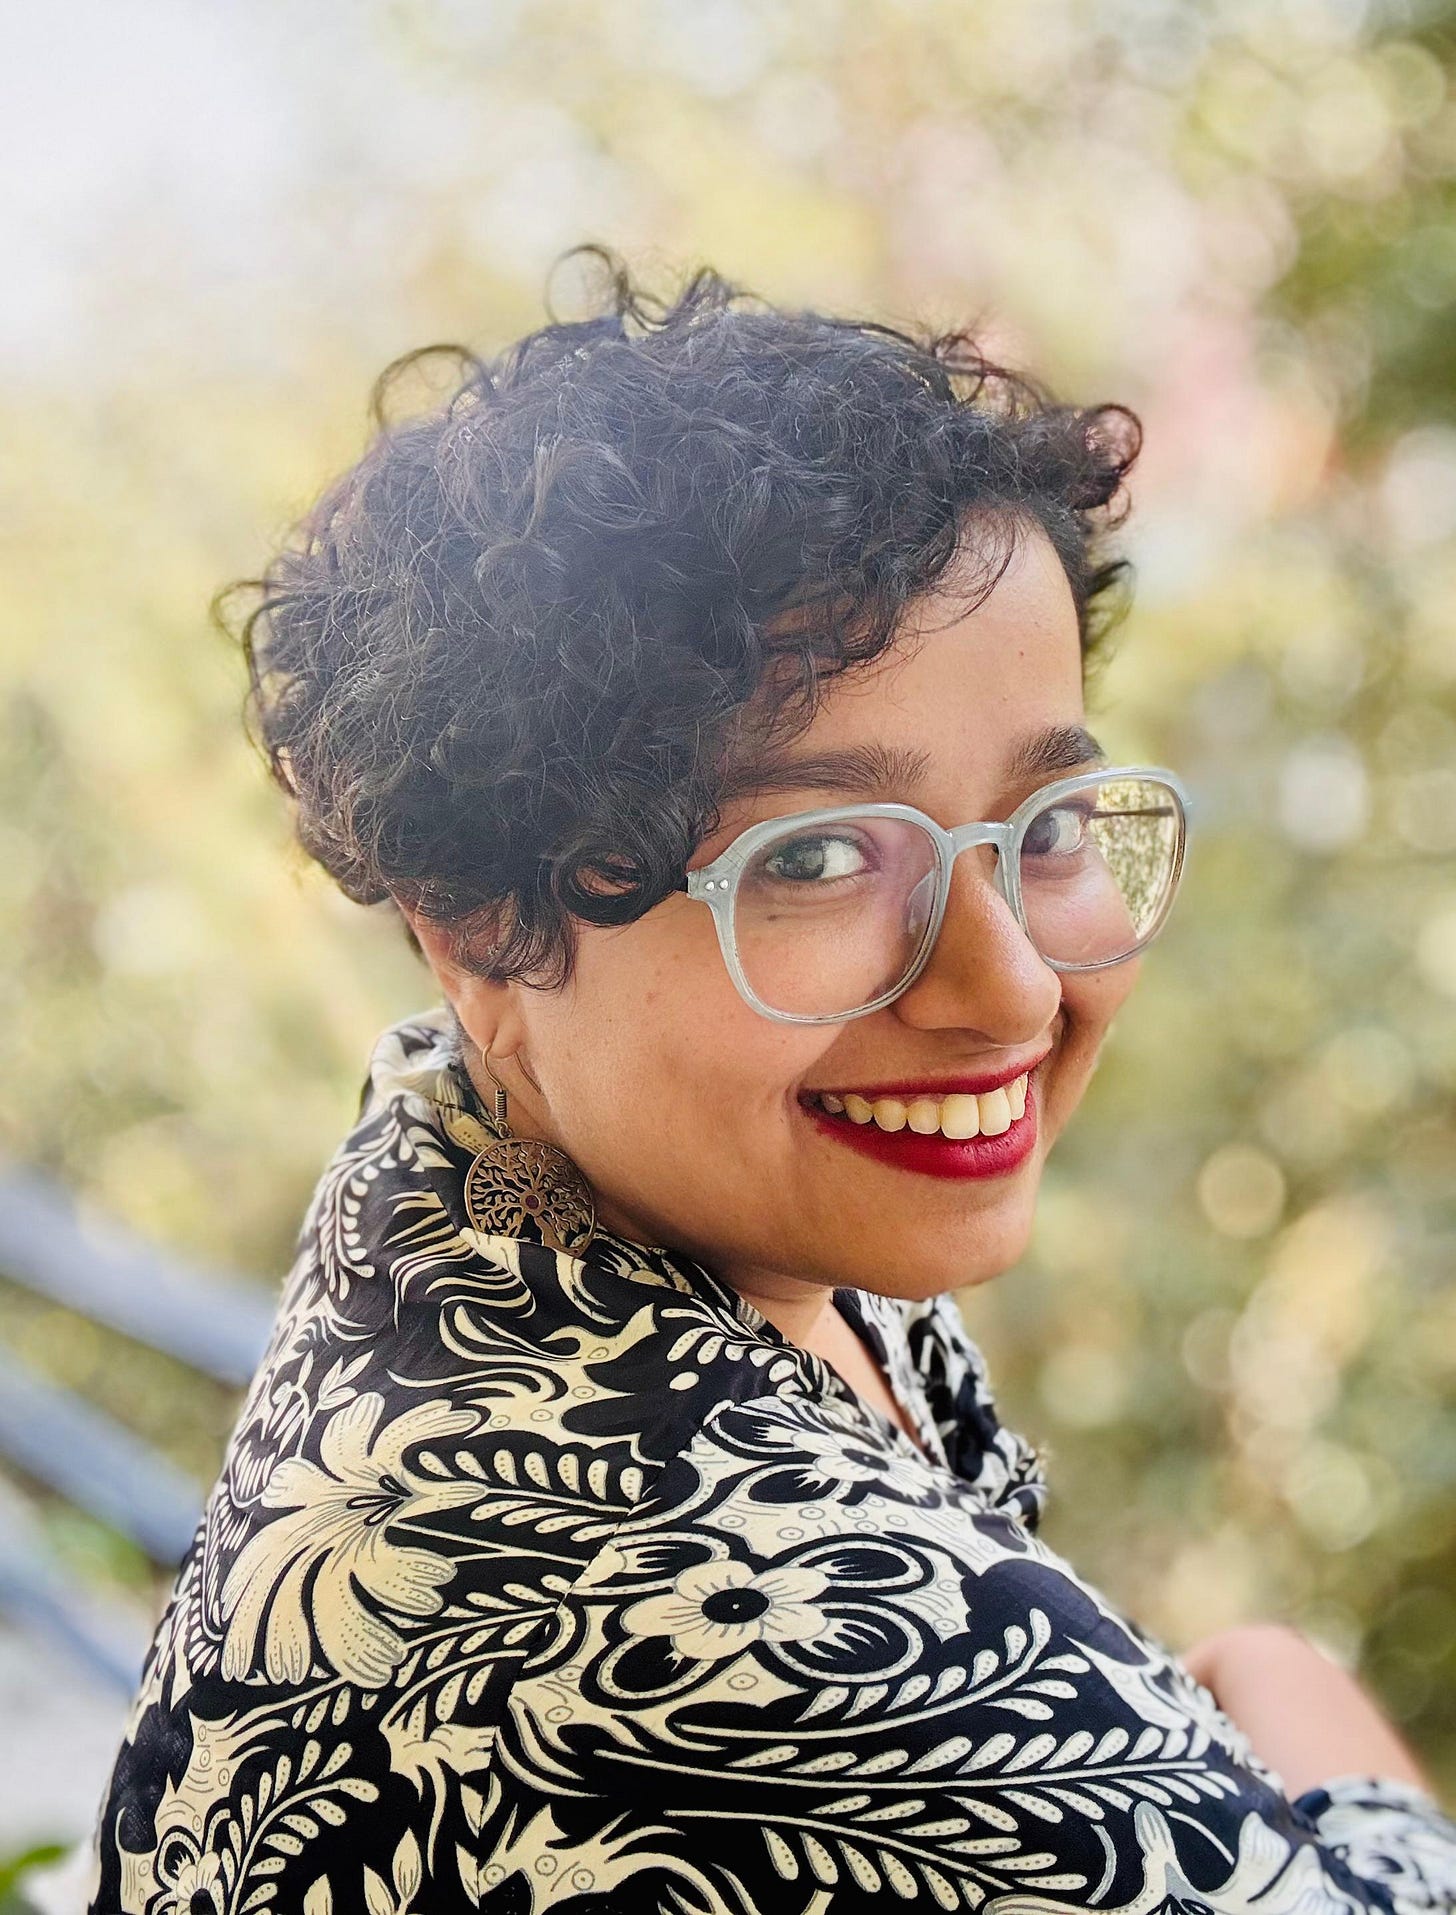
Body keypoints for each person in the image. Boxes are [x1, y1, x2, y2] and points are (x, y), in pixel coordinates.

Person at [86, 254, 1456, 1915]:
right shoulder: (690, 1597)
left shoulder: (630, 1218)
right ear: (480, 933)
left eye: (1048, 824)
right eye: (814, 856)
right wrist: (1283, 1684)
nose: (1009, 984)